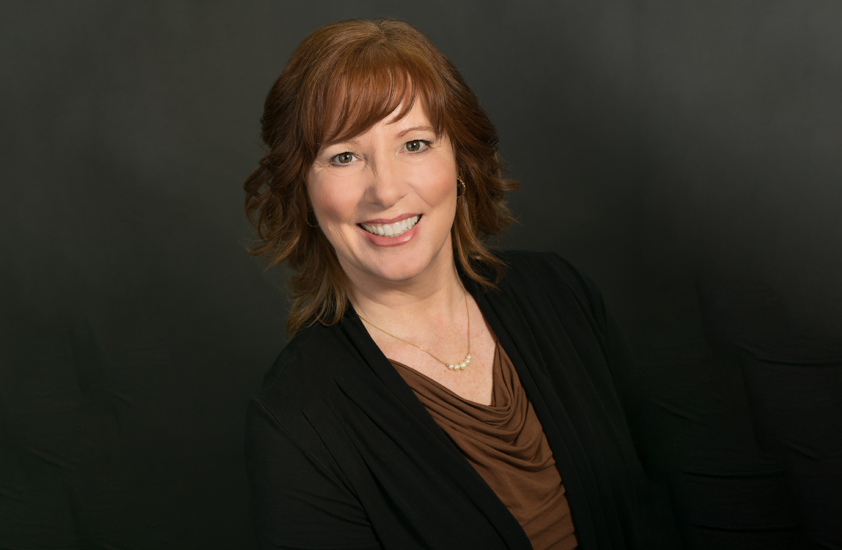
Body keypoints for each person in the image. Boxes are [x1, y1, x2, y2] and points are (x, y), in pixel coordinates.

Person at [243, 18, 674, 550]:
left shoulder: (562, 295)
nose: (386, 190)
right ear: (303, 191)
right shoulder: (296, 420)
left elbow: (668, 497)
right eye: (344, 156)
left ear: (461, 161)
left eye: (415, 144)